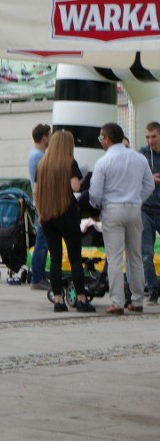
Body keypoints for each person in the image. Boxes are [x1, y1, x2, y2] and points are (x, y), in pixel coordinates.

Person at [89, 122, 155, 314]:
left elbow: (94, 193)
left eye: (101, 138)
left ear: (107, 139)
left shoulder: (103, 162)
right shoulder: (139, 158)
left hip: (112, 209)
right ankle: (137, 300)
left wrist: (98, 203)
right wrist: (137, 199)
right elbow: (149, 185)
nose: (101, 141)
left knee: (115, 257)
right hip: (135, 209)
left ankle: (117, 302)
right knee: (135, 256)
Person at [34, 131, 95, 313]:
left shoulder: (42, 164)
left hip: (48, 216)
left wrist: (40, 212)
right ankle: (82, 299)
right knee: (75, 259)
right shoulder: (69, 162)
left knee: (55, 259)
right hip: (67, 214)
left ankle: (58, 300)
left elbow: (36, 191)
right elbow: (75, 186)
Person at [138, 121, 160, 305]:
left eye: (154, 136)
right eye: (147, 137)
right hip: (146, 208)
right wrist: (149, 179)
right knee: (146, 253)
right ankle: (152, 289)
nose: (150, 141)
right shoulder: (143, 154)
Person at [28, 123, 52, 291]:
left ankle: (38, 275)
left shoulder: (34, 154)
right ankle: (37, 277)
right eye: (50, 136)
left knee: (43, 241)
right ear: (44, 138)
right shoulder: (39, 157)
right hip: (44, 203)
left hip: (41, 202)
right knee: (42, 242)